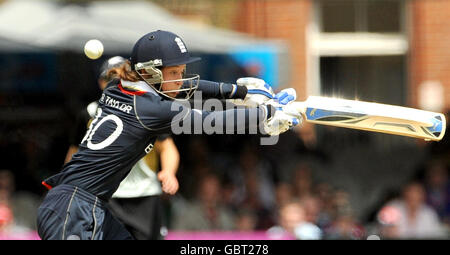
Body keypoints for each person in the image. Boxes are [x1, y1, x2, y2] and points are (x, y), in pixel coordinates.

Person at [36, 30, 303, 240]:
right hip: (74, 210)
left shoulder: (117, 88)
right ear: (150, 73)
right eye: (174, 72)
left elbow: (186, 86)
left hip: (80, 206)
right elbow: (211, 120)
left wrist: (239, 92)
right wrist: (266, 115)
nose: (180, 79)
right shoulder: (151, 109)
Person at [64, 56, 181, 240]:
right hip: (105, 196)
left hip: (145, 196)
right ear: (101, 83)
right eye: (111, 79)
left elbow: (167, 148)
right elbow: (75, 154)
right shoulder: (89, 113)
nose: (117, 83)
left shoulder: (146, 111)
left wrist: (168, 172)